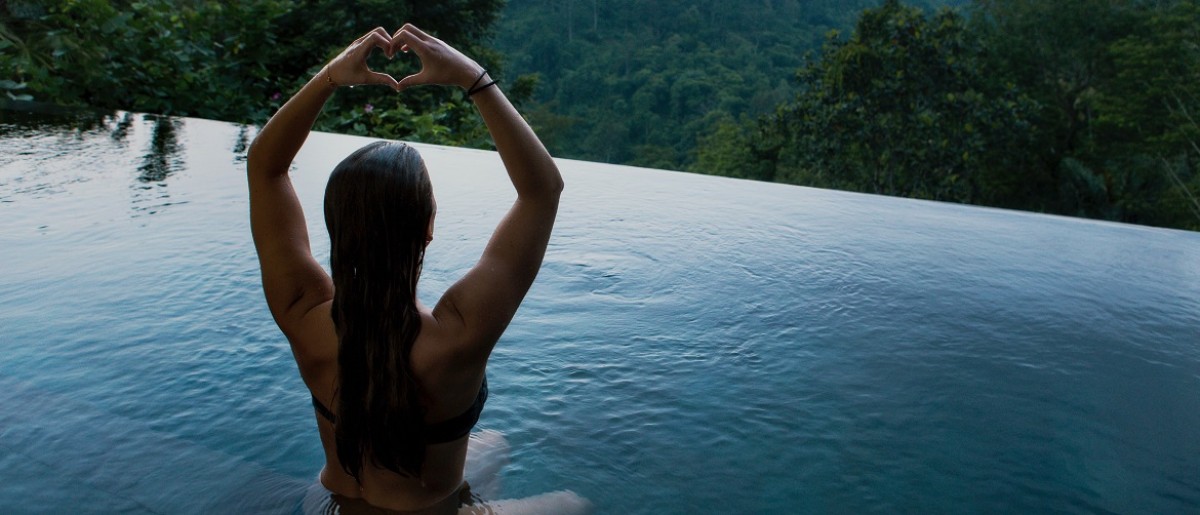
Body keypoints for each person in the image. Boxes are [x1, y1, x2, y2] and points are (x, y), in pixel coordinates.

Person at [247, 24, 587, 514]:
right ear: (428, 227)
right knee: (575, 504)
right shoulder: (458, 334)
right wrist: (474, 79)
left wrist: (329, 78)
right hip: (430, 512)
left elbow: (265, 165)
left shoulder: (303, 312)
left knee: (496, 444)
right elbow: (542, 191)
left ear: (336, 229)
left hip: (328, 501)